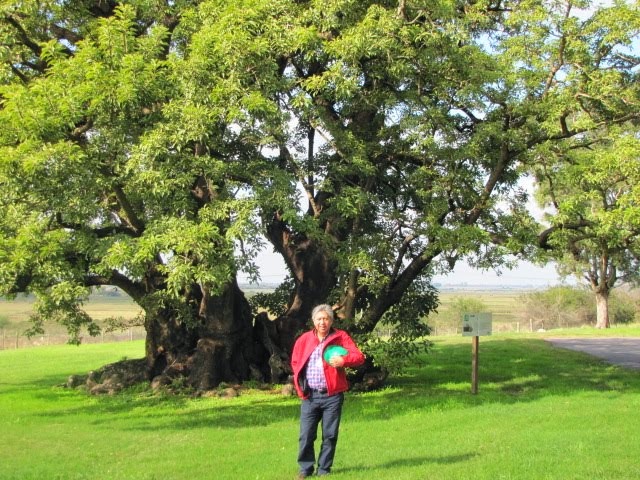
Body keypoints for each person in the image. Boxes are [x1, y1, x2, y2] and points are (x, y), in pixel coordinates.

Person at [290, 304, 365, 478]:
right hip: (309, 395)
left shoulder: (341, 337)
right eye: (319, 319)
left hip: (332, 396)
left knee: (330, 435)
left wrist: (343, 360)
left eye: (326, 318)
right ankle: (305, 469)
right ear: (313, 321)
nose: (322, 322)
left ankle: (324, 470)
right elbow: (295, 363)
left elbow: (359, 357)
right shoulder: (304, 339)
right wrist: (299, 385)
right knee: (306, 435)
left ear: (331, 320)